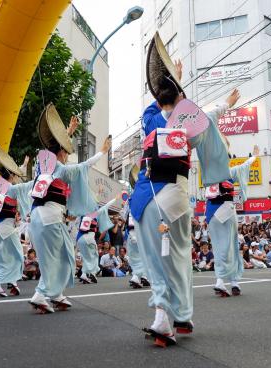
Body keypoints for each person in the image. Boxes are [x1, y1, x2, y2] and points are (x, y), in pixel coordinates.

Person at [130, 32, 238, 345]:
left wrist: (173, 81)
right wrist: (225, 104)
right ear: (181, 98)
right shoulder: (189, 119)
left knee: (156, 258)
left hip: (145, 198)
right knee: (177, 256)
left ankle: (167, 315)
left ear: (158, 96)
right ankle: (177, 316)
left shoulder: (149, 118)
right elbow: (207, 117)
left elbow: (160, 106)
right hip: (174, 196)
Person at [27, 105, 112, 313]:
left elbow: (57, 147)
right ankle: (41, 294)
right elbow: (84, 166)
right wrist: (102, 152)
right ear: (63, 153)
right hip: (50, 218)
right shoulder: (62, 170)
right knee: (60, 257)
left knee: (59, 256)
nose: (67, 154)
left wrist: (68, 131)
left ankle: (55, 293)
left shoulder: (44, 166)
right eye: (66, 150)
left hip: (37, 218)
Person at [207, 145, 259, 297]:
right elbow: (245, 165)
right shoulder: (229, 172)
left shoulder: (208, 173)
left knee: (218, 247)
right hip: (226, 210)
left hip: (211, 214)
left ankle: (221, 280)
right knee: (231, 246)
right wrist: (255, 156)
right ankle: (232, 281)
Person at [0, 147, 31, 297]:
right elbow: (25, 186)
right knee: (18, 255)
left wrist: (23, 166)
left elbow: (16, 177)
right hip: (6, 228)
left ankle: (12, 282)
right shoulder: (11, 189)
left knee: (5, 256)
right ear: (11, 175)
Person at [76, 197, 117, 284]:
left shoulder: (82, 214)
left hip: (79, 238)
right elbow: (106, 206)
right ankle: (90, 274)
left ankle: (86, 274)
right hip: (89, 237)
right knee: (94, 256)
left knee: (86, 257)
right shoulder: (94, 214)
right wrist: (116, 198)